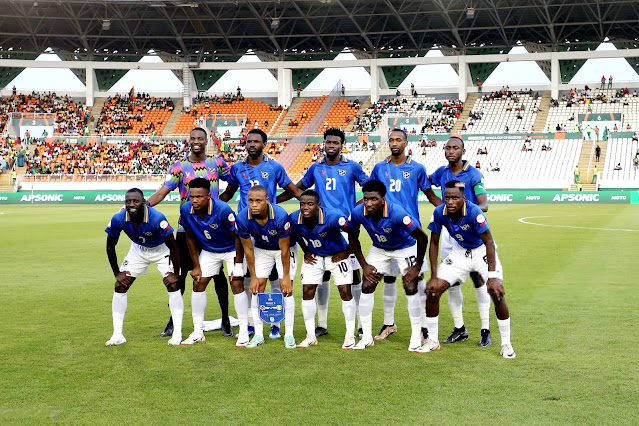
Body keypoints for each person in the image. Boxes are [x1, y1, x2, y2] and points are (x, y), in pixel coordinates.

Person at [278, 128, 368, 338]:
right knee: (322, 277)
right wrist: (274, 200)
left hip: (343, 227)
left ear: (341, 145)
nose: (331, 145)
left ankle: (360, 326)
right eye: (328, 142)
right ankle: (322, 324)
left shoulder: (352, 166)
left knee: (353, 278)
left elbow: (371, 188)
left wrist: (356, 209)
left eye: (335, 142)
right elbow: (296, 189)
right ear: (324, 144)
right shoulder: (315, 168)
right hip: (317, 227)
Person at [147, 127, 233, 339]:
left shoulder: (217, 163)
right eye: (193, 138)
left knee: (218, 275)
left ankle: (225, 320)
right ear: (189, 141)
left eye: (200, 138)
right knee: (182, 274)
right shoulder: (179, 167)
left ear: (206, 141)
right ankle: (172, 322)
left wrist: (221, 202)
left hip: (213, 229)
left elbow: (235, 181)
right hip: (187, 229)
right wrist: (143, 206)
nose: (196, 141)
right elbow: (162, 192)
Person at [219, 128, 302, 339]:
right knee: (250, 278)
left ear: (264, 144)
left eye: (256, 141)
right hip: (246, 228)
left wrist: (276, 203)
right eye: (249, 141)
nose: (252, 144)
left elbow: (293, 190)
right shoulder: (237, 167)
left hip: (272, 226)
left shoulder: (274, 167)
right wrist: (211, 206)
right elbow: (228, 193)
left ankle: (274, 321)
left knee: (276, 277)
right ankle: (250, 323)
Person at [422, 180, 515, 359]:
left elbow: (488, 241)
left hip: (482, 251)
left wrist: (493, 275)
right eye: (447, 197)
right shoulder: (439, 212)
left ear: (464, 198)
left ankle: (506, 344)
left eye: (455, 198)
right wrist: (434, 275)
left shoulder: (474, 211)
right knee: (432, 290)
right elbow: (434, 242)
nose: (450, 202)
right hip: (460, 252)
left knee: (497, 292)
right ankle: (433, 341)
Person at [369, 129, 439, 342]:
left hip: (410, 236)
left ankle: (424, 327)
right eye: (391, 140)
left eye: (398, 139)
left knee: (416, 281)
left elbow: (430, 195)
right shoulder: (380, 167)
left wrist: (449, 211)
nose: (394, 143)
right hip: (384, 234)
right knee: (388, 279)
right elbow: (370, 195)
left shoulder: (417, 168)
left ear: (406, 143)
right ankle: (389, 323)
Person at [346, 179, 429, 351]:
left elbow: (422, 237)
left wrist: (416, 267)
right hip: (380, 248)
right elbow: (352, 237)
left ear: (383, 199)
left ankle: (416, 336)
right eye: (366, 199)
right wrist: (364, 265)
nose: (369, 203)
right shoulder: (357, 212)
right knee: (367, 284)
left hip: (405, 247)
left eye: (373, 199)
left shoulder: (397, 212)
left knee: (411, 286)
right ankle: (367, 337)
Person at [429, 136, 492, 347]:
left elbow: (484, 204)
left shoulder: (473, 174)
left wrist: (467, 210)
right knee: (452, 283)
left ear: (463, 151)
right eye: (447, 147)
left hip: (471, 232)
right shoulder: (441, 172)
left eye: (455, 147)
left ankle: (485, 330)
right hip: (449, 232)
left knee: (478, 280)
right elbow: (424, 182)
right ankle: (460, 329)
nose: (451, 151)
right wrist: (443, 208)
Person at [104, 188, 182, 346]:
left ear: (143, 202)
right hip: (138, 250)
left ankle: (178, 333)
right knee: (120, 285)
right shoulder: (119, 218)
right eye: (128, 201)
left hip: (161, 249)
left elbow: (173, 247)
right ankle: (117, 334)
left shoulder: (157, 218)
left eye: (135, 201)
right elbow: (110, 246)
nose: (131, 204)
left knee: (173, 284)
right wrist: (117, 273)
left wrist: (176, 272)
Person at [178, 178, 246, 346]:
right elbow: (190, 237)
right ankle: (198, 331)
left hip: (231, 249)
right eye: (192, 196)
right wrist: (196, 266)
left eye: (199, 197)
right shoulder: (186, 209)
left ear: (208, 196)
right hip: (209, 251)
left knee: (236, 282)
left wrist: (237, 265)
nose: (194, 200)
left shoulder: (223, 209)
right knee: (198, 282)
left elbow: (237, 238)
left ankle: (244, 331)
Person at [290, 190, 356, 349]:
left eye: (310, 204)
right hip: (316, 257)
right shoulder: (294, 218)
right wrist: (306, 249)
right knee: (307, 291)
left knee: (345, 292)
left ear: (318, 205)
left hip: (337, 256)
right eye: (302, 204)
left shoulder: (333, 217)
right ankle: (310, 336)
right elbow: (296, 234)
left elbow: (354, 231)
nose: (305, 207)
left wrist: (347, 251)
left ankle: (350, 336)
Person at [235, 185, 296, 348]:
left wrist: (285, 276)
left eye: (258, 201)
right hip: (262, 249)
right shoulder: (242, 218)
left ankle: (289, 334)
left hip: (284, 250)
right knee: (257, 288)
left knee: (287, 289)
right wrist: (253, 277)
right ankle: (259, 334)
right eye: (250, 201)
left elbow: (284, 249)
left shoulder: (280, 215)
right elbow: (248, 249)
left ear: (267, 201)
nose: (253, 204)